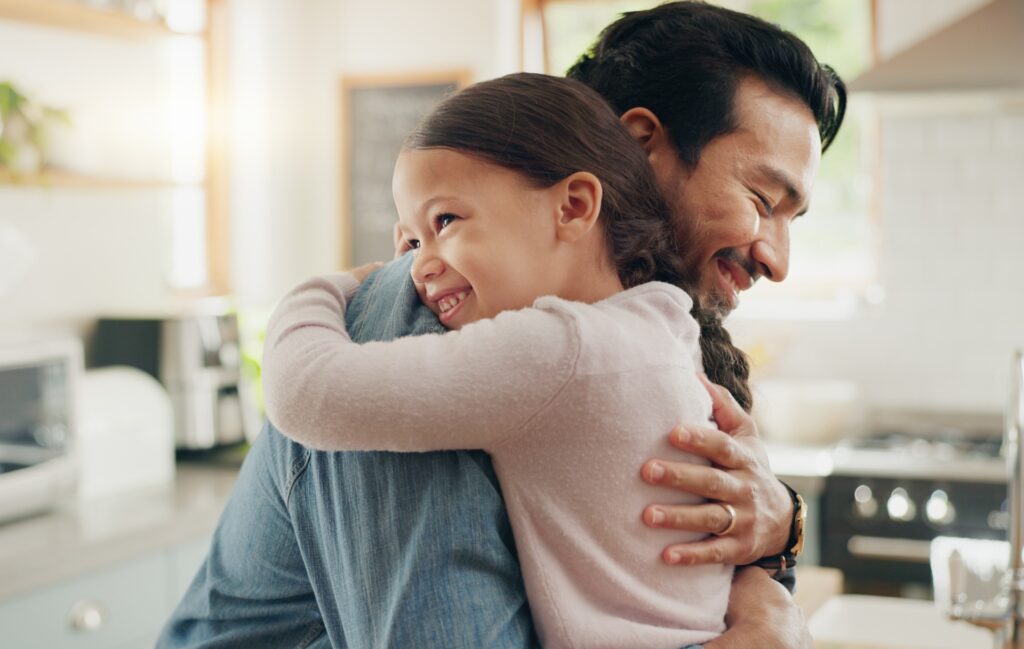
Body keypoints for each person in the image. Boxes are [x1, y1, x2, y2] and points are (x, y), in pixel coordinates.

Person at [157, 3, 845, 648]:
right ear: (640, 146)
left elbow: (679, 575)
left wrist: (776, 543)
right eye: (762, 199)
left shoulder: (656, 334)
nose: (776, 259)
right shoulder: (421, 316)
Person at [264, 72, 749, 649]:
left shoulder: (560, 352)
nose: (416, 270)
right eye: (409, 245)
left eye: (445, 222)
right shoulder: (662, 326)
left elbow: (309, 394)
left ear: (573, 206)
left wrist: (331, 287)